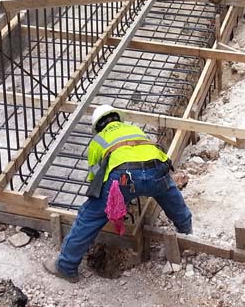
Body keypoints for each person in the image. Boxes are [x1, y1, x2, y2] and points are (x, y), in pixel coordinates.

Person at [44, 105, 192, 283]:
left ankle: (66, 266)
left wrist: (110, 200)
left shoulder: (98, 141)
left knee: (89, 217)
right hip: (156, 169)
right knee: (172, 199)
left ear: (98, 126)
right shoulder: (134, 129)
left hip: (123, 178)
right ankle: (187, 235)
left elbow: (95, 178)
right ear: (117, 118)